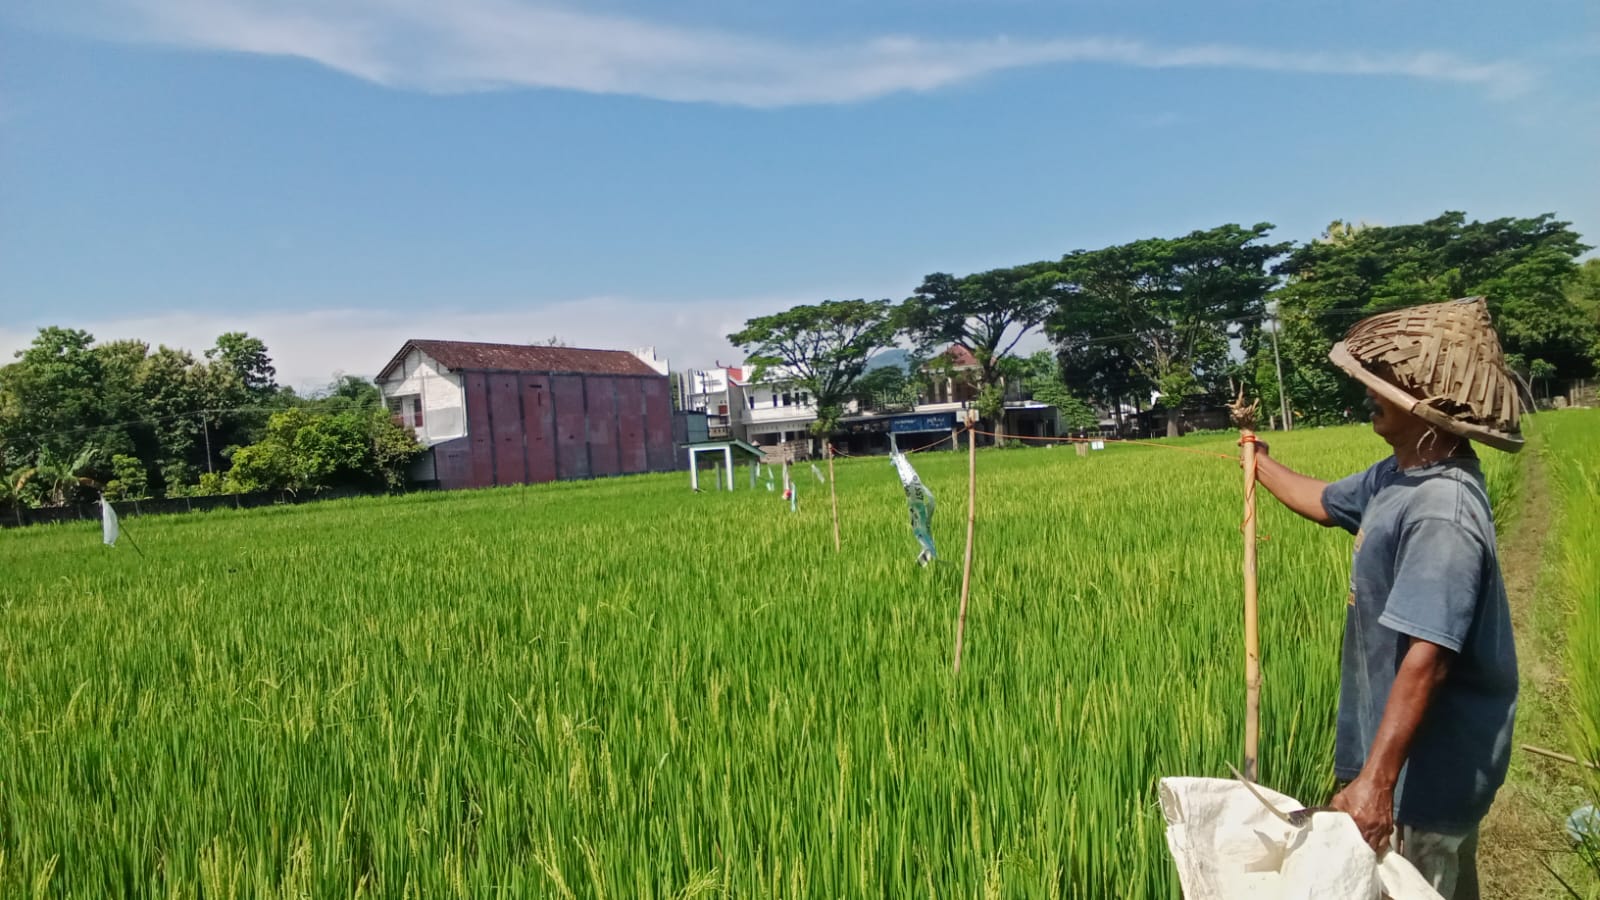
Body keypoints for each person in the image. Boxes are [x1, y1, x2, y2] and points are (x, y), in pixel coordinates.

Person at [1252, 297, 1522, 900]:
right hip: (1394, 759)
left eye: (1385, 384)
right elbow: (1325, 502)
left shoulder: (1441, 511)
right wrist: (1259, 462)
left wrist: (1377, 783)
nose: (1368, 392)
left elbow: (1430, 656)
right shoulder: (1398, 474)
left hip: (1427, 774)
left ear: (1429, 404)